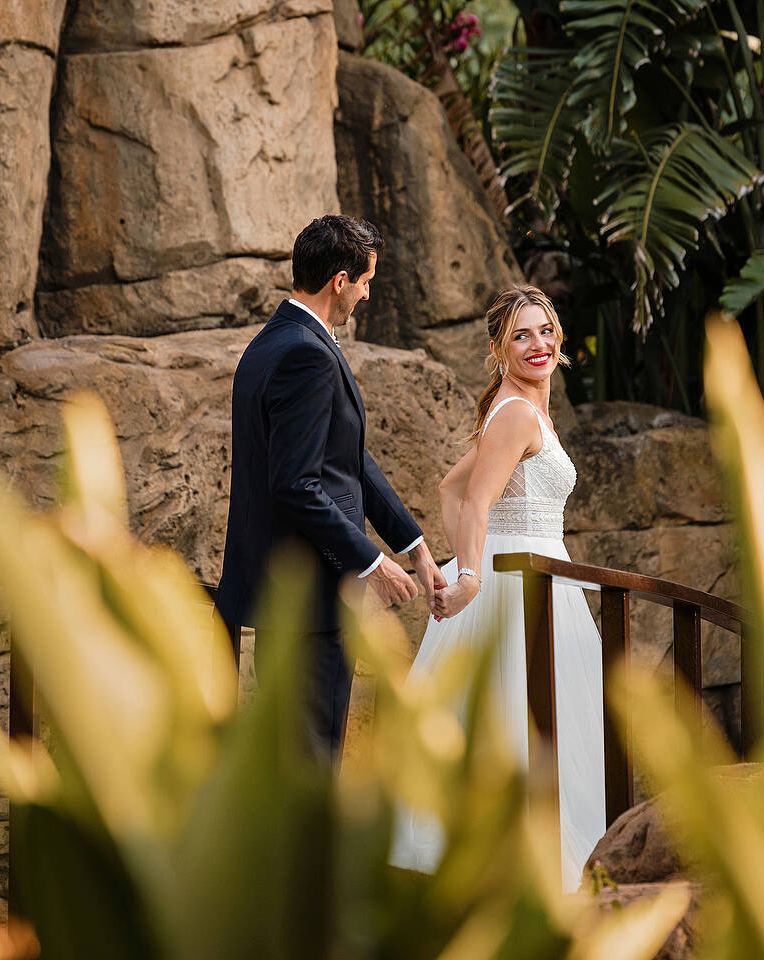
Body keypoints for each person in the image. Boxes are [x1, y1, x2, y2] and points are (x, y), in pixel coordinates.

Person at [389, 284, 605, 891]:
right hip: (522, 582)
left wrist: (472, 560)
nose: (538, 344)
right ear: (497, 348)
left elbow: (449, 490)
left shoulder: (519, 408)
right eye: (521, 335)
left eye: (544, 331)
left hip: (534, 573)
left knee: (532, 721)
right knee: (528, 723)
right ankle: (539, 876)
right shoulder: (514, 414)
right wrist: (470, 575)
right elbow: (476, 501)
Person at [216, 215, 447, 764]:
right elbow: (296, 484)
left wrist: (411, 546)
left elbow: (347, 459)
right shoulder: (307, 354)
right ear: (339, 280)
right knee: (311, 765)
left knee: (297, 762)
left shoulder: (274, 342)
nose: (366, 295)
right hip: (307, 603)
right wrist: (371, 562)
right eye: (365, 281)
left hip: (287, 600)